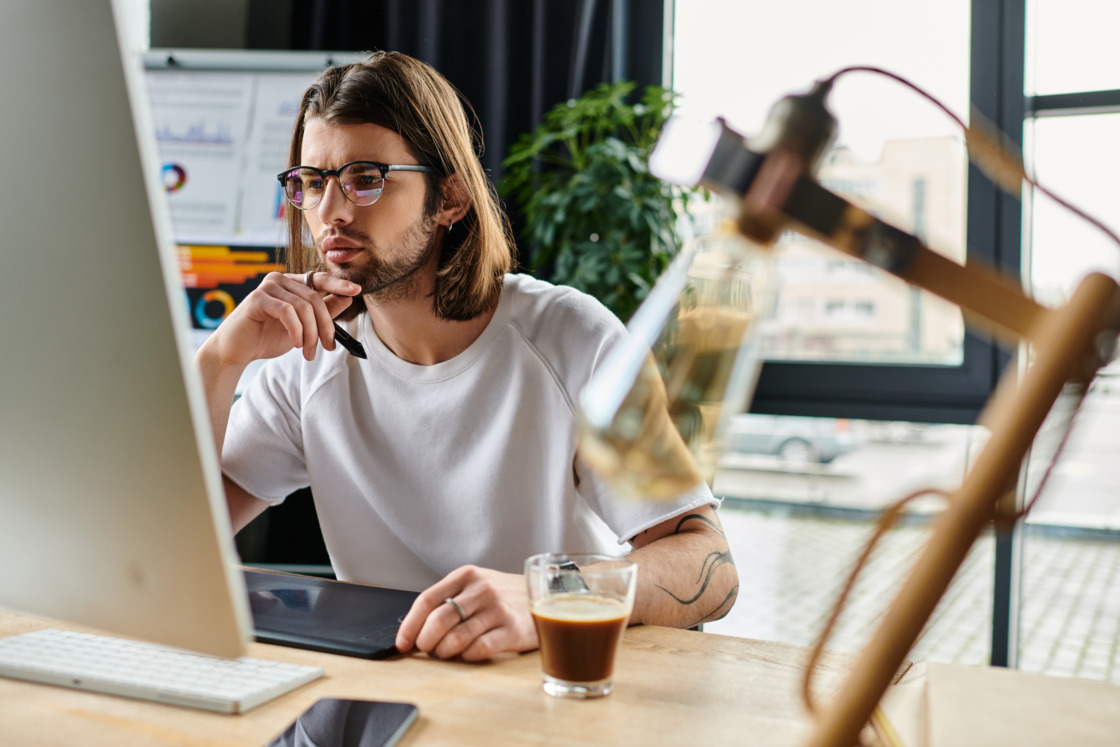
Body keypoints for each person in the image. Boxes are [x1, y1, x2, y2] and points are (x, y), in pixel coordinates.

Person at [197, 50, 738, 662]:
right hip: (390, 685)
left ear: (449, 198)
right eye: (313, 183)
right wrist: (221, 358)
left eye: (365, 178)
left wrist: (545, 598)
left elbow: (710, 567)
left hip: (549, 682)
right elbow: (174, 540)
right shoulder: (307, 365)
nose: (331, 213)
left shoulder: (569, 336)